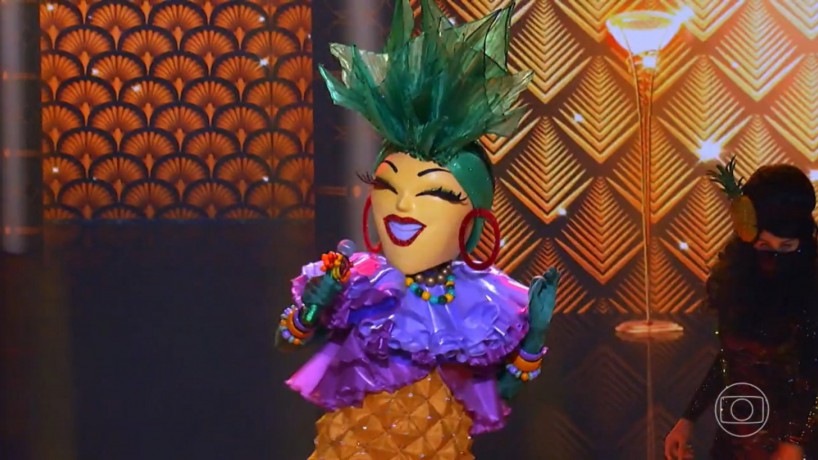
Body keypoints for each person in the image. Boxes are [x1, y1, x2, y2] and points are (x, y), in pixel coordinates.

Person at [275, 1, 560, 458]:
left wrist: (535, 338)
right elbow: (291, 340)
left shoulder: (481, 305)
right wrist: (312, 310)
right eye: (387, 187)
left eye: (435, 193)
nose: (403, 206)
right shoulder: (359, 285)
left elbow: (497, 395)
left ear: (476, 223)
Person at [665, 162, 818, 460]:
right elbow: (730, 357)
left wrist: (794, 441)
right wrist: (687, 419)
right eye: (764, 245)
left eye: (786, 246)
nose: (774, 258)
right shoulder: (738, 282)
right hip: (737, 439)